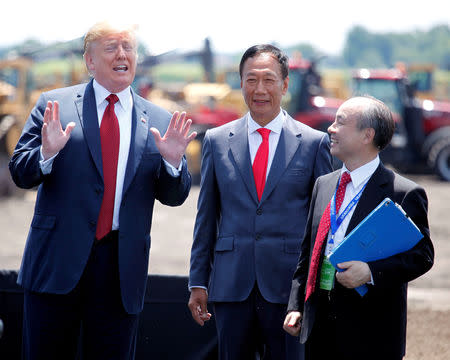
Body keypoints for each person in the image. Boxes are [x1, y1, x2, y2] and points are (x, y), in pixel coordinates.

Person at [9, 21, 196, 359]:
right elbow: (21, 174)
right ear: (90, 61)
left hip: (120, 272)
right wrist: (46, 153)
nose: (122, 55)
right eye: (111, 47)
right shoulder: (54, 105)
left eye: (129, 48)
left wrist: (172, 163)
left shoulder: (158, 118)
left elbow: (174, 195)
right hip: (56, 264)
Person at [188, 44, 332, 359]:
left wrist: (318, 288)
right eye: (251, 80)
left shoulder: (312, 143)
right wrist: (198, 280)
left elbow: (324, 224)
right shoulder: (215, 140)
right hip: (231, 286)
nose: (260, 89)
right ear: (240, 83)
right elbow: (206, 217)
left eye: (269, 80)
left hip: (287, 290)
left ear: (284, 85)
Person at [283, 96, 434, 360]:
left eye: (340, 122)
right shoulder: (324, 184)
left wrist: (371, 273)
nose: (330, 128)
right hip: (318, 333)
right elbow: (308, 253)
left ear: (367, 135)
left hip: (371, 336)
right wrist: (296, 305)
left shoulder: (403, 193)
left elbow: (422, 257)